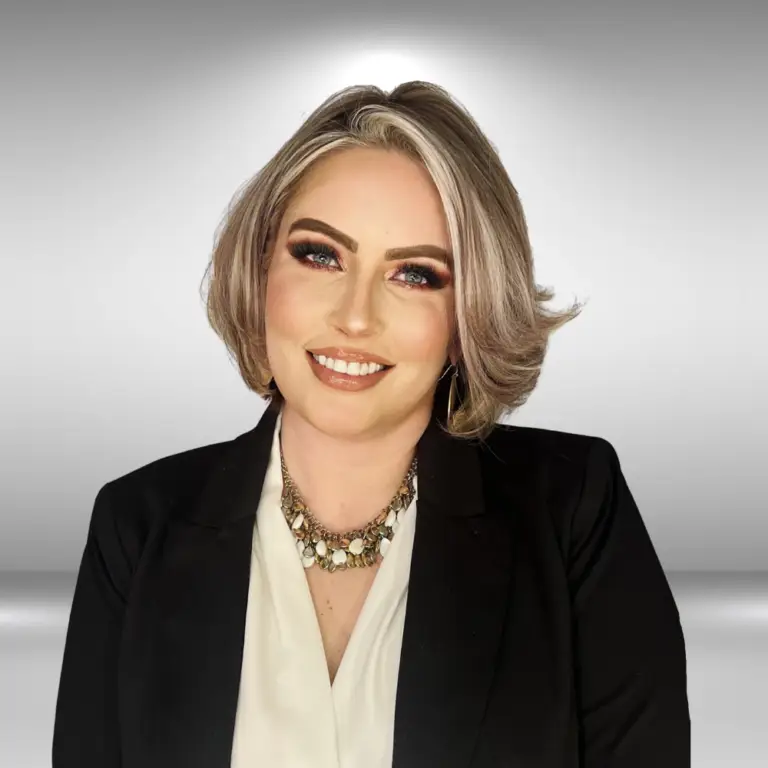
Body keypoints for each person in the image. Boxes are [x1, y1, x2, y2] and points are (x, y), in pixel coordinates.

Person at [52, 81, 690, 768]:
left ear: (467, 314)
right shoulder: (136, 526)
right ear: (259, 267)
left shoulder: (573, 514)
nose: (356, 317)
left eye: (415, 275)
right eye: (320, 255)